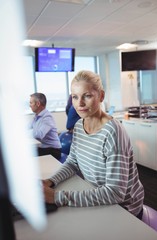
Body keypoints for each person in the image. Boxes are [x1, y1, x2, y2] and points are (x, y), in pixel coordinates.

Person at [42, 70, 144, 219]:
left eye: (87, 96)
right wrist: (50, 181)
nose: (80, 103)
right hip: (100, 197)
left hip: (124, 209)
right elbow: (72, 162)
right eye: (75, 97)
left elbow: (115, 193)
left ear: (101, 96)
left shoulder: (112, 132)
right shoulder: (78, 126)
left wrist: (57, 197)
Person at [29, 93, 61, 160]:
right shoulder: (36, 117)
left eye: (31, 103)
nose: (30, 105)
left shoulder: (47, 117)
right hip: (43, 147)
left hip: (53, 150)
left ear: (37, 104)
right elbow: (27, 127)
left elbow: (39, 134)